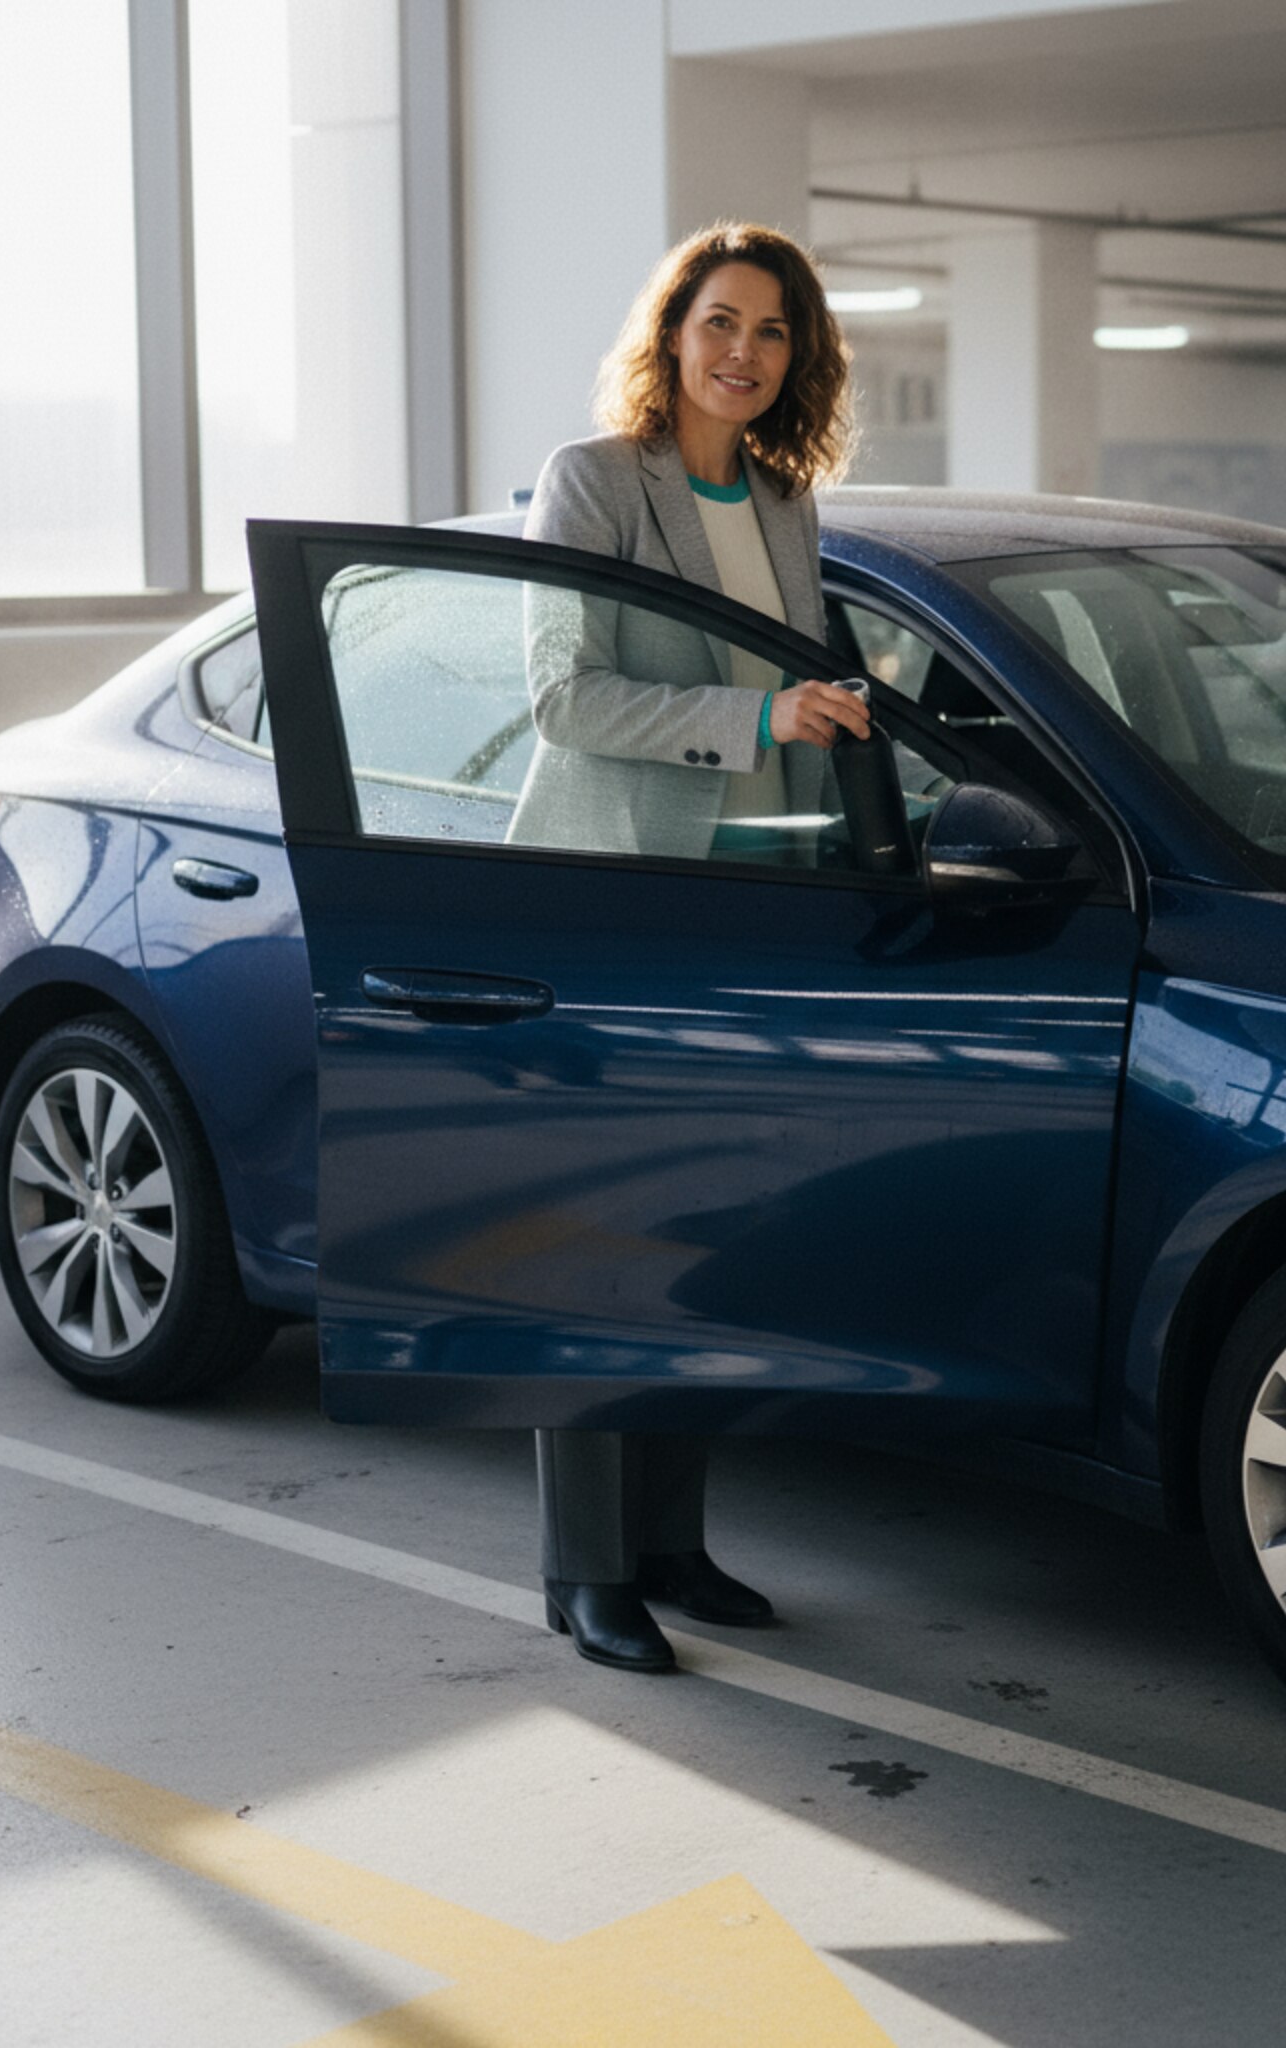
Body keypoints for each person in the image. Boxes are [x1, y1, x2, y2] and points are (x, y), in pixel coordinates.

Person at [517, 222, 869, 1674]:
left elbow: (803, 678)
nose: (742, 352)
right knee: (599, 1248)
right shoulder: (594, 482)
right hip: (612, 903)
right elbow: (564, 696)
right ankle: (586, 1573)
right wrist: (761, 721)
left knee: (710, 1236)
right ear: (671, 335)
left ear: (800, 359)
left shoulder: (784, 500)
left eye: (772, 332)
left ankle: (673, 1544)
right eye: (719, 321)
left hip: (747, 906)